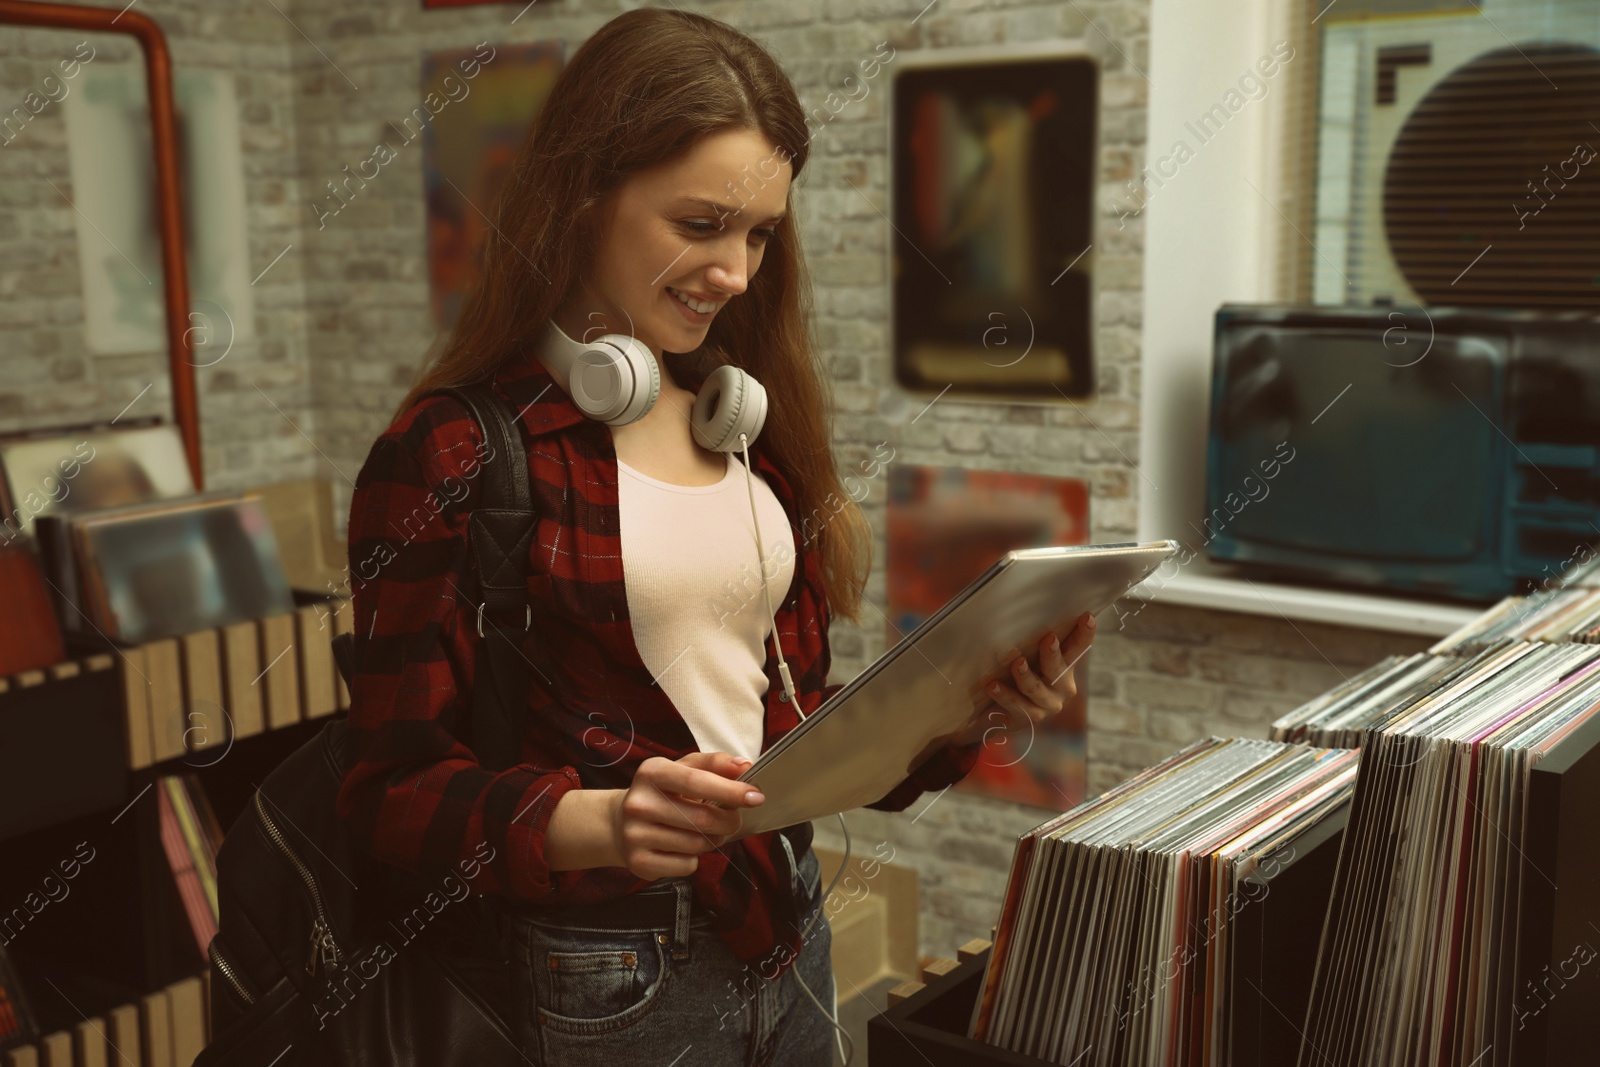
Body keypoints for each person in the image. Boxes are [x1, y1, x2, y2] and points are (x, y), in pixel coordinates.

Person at [338, 9, 1094, 1065]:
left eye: (758, 234)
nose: (735, 271)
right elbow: (388, 790)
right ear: (580, 197)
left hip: (787, 928)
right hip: (600, 971)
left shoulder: (740, 428)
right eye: (700, 224)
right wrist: (599, 822)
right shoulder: (452, 454)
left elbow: (788, 741)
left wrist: (966, 701)